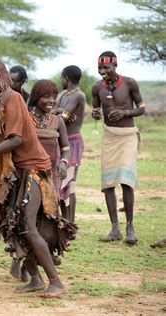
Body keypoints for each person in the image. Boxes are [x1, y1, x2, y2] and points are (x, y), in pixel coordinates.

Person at [0, 57, 76, 297]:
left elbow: (16, 139)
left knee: (27, 225)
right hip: (17, 171)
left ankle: (55, 281)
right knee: (14, 225)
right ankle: (36, 279)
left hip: (33, 169)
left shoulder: (14, 99)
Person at [92, 51, 145, 245]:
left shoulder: (130, 83)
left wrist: (125, 112)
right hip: (109, 136)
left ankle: (130, 227)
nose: (102, 71)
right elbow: (96, 111)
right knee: (108, 183)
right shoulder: (97, 87)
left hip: (128, 136)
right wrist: (96, 115)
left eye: (106, 68)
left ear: (115, 66)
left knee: (126, 181)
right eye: (99, 68)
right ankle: (115, 228)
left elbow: (142, 108)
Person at [55, 65, 86, 223]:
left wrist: (60, 112)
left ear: (66, 78)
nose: (61, 80)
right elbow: (57, 113)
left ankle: (70, 224)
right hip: (62, 142)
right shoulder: (64, 95)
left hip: (72, 142)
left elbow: (64, 117)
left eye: (62, 77)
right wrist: (60, 111)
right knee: (60, 183)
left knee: (69, 184)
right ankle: (65, 221)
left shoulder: (78, 95)